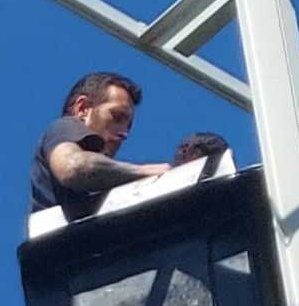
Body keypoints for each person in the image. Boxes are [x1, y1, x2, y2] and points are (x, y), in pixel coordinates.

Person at [28, 67, 226, 223]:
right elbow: (73, 167)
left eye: (128, 126)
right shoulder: (63, 128)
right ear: (83, 109)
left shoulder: (104, 186)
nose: (123, 133)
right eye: (117, 117)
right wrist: (148, 172)